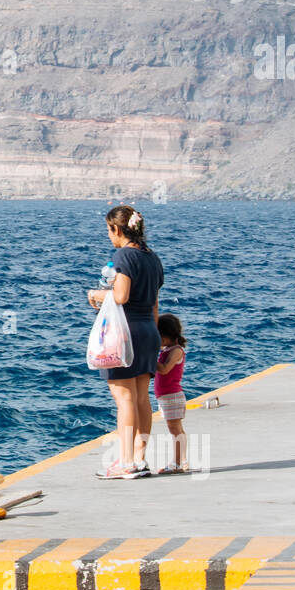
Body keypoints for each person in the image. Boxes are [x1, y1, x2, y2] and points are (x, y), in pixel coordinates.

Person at [88, 205, 164, 479]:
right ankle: (140, 458)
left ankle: (126, 461)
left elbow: (120, 296)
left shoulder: (124, 255)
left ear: (117, 229)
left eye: (109, 230)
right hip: (148, 331)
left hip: (124, 333)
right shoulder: (152, 257)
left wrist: (95, 295)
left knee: (124, 398)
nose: (109, 236)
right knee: (143, 397)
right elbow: (155, 302)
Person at [154, 314, 189, 474]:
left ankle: (177, 462)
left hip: (172, 396)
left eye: (159, 336)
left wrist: (149, 358)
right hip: (166, 396)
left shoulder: (176, 351)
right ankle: (181, 460)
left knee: (175, 430)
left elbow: (165, 369)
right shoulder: (167, 349)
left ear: (168, 335)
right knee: (176, 429)